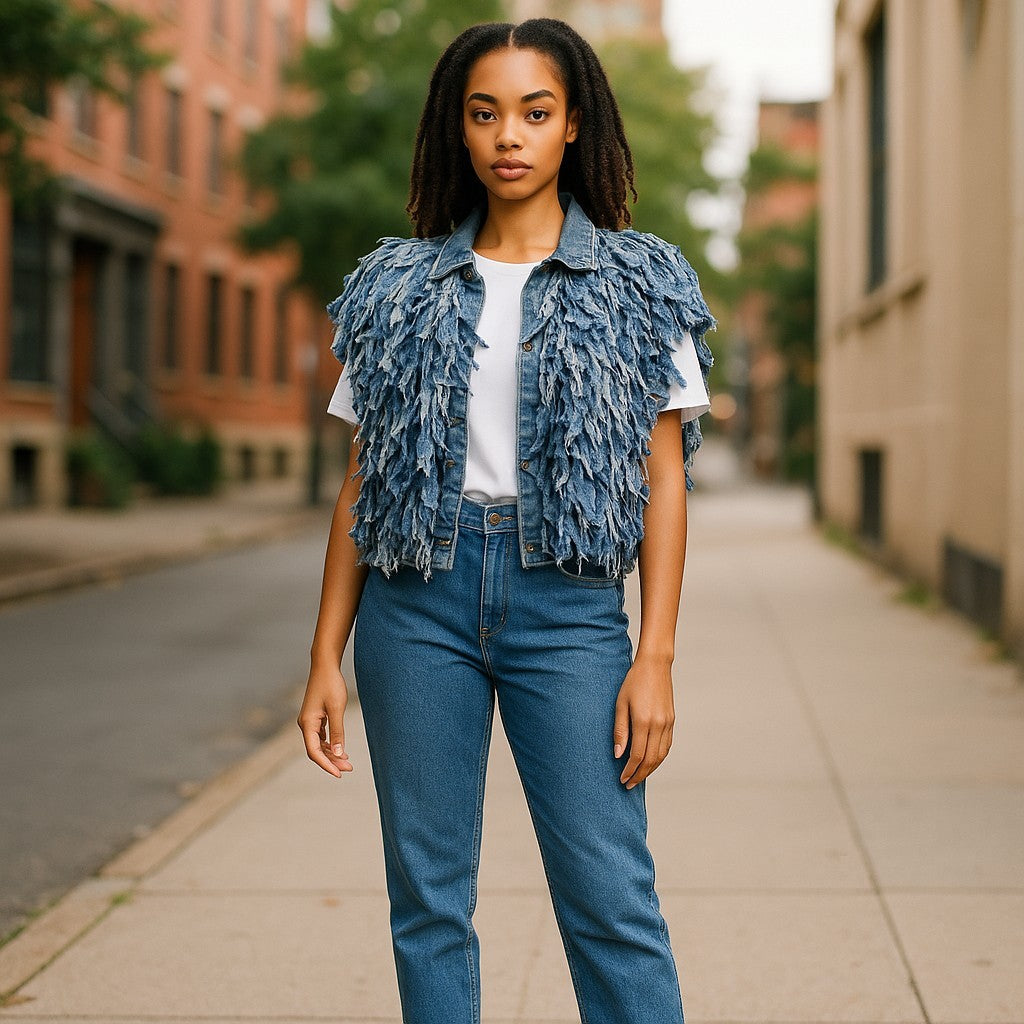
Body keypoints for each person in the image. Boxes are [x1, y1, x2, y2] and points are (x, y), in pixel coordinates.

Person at [297, 17, 716, 1024]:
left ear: (574, 125)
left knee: (610, 897)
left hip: (567, 611)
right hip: (415, 610)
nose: (508, 136)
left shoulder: (640, 282)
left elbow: (664, 479)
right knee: (428, 902)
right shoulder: (395, 288)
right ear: (459, 128)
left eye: (534, 112)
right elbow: (363, 482)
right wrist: (325, 655)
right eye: (484, 113)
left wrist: (653, 655)